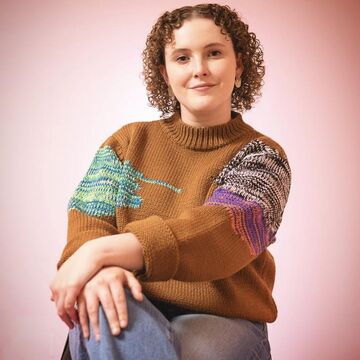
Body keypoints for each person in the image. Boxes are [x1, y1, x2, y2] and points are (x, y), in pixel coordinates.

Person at [50, 3, 292, 359]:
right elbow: (89, 221)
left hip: (222, 319)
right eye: (182, 58)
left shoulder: (263, 157)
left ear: (239, 65)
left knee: (194, 348)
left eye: (214, 53)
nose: (200, 70)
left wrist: (98, 254)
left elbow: (222, 231)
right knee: (104, 307)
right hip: (130, 300)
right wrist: (96, 272)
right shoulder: (127, 143)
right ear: (164, 74)